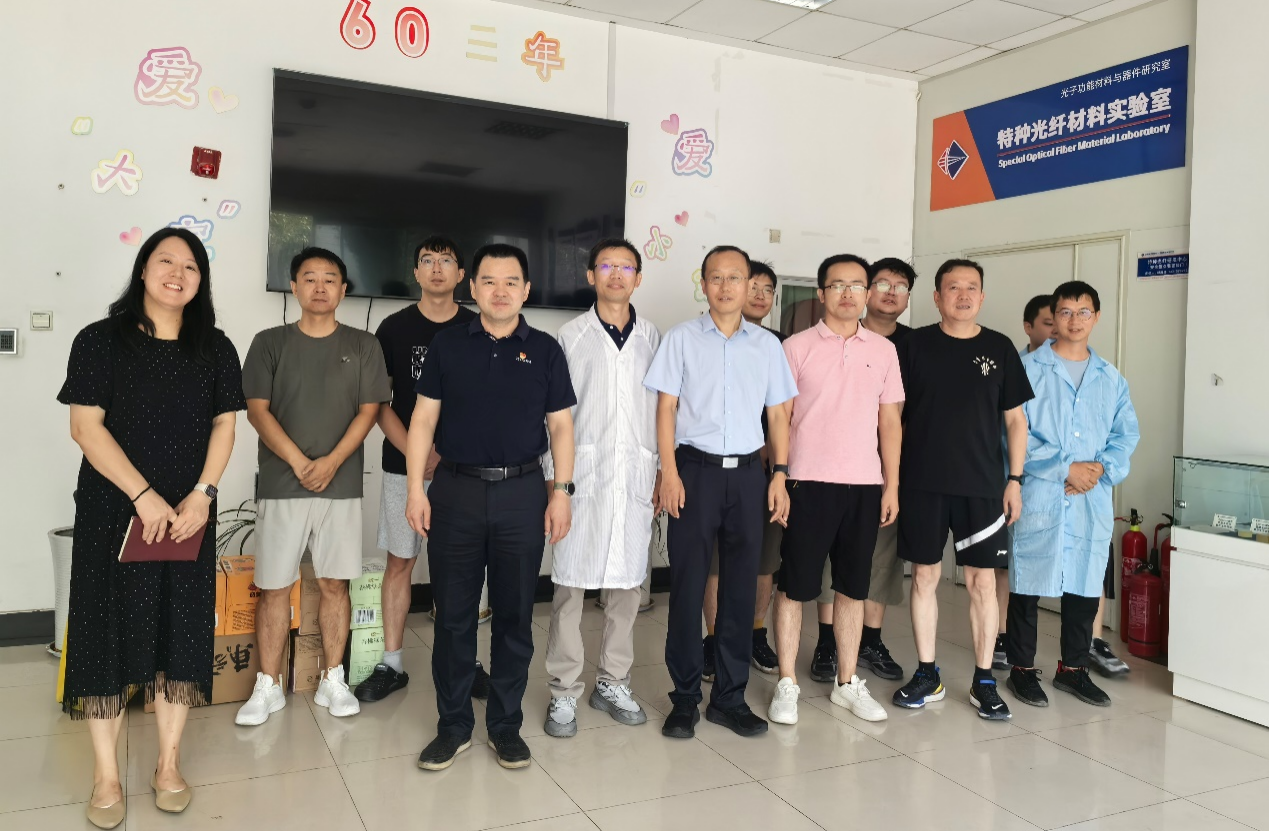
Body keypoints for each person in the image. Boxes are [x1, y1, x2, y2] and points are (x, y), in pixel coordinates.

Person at [59, 228, 244, 827]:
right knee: (104, 634)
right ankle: (106, 775)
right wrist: (142, 496)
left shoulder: (215, 347)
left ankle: (167, 764)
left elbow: (225, 425)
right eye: (165, 261)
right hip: (114, 512)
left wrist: (203, 495)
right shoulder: (99, 340)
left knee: (177, 632)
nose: (177, 273)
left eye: (190, 266)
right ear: (143, 270)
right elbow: (85, 427)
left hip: (187, 515)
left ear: (200, 281)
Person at [407, 243, 576, 771]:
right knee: (454, 617)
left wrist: (562, 491)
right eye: (488, 281)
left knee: (515, 617)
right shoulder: (447, 344)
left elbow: (561, 427)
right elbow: (423, 420)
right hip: (455, 491)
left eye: (510, 282)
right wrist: (415, 489)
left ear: (526, 291)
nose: (499, 291)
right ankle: (454, 725)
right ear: (473, 287)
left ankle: (505, 726)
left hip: (523, 493)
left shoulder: (545, 349)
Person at [645, 245, 797, 740]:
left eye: (736, 278)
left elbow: (778, 415)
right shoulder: (681, 339)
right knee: (688, 586)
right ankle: (685, 698)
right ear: (704, 284)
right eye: (716, 277)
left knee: (740, 589)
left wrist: (780, 474)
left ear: (750, 284)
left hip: (750, 476)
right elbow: (665, 410)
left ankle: (729, 699)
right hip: (695, 472)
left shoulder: (766, 346)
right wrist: (669, 472)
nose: (727, 287)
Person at [237, 248, 390, 726]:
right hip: (283, 483)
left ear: (343, 289)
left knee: (334, 583)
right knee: (274, 585)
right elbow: (257, 410)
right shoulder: (269, 342)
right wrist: (301, 462)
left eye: (330, 279)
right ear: (294, 287)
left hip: (340, 486)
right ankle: (267, 685)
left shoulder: (364, 344)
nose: (320, 287)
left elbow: (369, 411)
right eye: (309, 278)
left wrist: (332, 462)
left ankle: (332, 678)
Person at [892, 259, 1033, 721]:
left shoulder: (1000, 347)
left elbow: (1016, 421)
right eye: (953, 287)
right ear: (937, 297)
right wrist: (891, 481)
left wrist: (1015, 480)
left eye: (972, 287)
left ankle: (984, 680)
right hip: (922, 484)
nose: (963, 295)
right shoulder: (913, 346)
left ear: (982, 297)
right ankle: (927, 674)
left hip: (982, 488)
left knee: (982, 583)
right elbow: (894, 417)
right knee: (925, 578)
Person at [767, 254, 903, 725]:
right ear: (821, 293)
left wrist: (891, 486)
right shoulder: (796, 347)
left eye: (857, 285)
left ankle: (847, 683)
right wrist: (780, 475)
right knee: (794, 587)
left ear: (867, 294)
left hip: (864, 486)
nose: (848, 293)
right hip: (807, 482)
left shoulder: (883, 351)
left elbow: (890, 422)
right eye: (838, 285)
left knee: (852, 588)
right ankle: (787, 682)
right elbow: (780, 416)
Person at [355, 237, 489, 705]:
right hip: (402, 469)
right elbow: (379, 404)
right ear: (415, 272)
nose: (436, 268)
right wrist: (418, 454)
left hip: (462, 470)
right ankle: (391, 664)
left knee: (463, 569)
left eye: (446, 261)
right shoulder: (393, 329)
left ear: (461, 275)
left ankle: (466, 663)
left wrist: (443, 454)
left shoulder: (477, 327)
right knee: (400, 562)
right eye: (427, 261)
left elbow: (484, 404)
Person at [543, 239, 661, 737]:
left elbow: (664, 412)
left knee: (627, 590)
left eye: (626, 267)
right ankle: (563, 691)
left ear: (638, 278)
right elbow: (553, 416)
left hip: (635, 477)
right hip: (581, 480)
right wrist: (555, 483)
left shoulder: (654, 338)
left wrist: (661, 470)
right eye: (607, 266)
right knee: (570, 589)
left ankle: (613, 682)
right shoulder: (569, 337)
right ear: (591, 275)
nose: (616, 274)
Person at [1006, 282, 1139, 708]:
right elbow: (1013, 433)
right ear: (1054, 317)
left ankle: (1073, 670)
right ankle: (1021, 670)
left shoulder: (1111, 378)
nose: (1075, 320)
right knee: (1026, 585)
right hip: (1041, 492)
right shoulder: (1026, 369)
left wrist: (1098, 469)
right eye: (1065, 312)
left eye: (1084, 312)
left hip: (1090, 497)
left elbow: (1125, 436)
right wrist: (1066, 468)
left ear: (1096, 317)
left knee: (1083, 585)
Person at [810, 257, 916, 686]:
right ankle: (826, 643)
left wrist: (894, 479)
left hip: (881, 471)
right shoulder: (822, 339)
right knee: (826, 563)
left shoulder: (910, 345)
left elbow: (899, 416)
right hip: (825, 470)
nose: (890, 292)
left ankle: (869, 640)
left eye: (900, 286)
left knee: (879, 560)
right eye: (882, 283)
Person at [702, 260, 784, 681]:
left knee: (764, 560)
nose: (758, 295)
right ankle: (714, 639)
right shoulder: (698, 339)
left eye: (767, 289)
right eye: (752, 285)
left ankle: (756, 633)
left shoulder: (777, 345)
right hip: (715, 470)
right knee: (716, 562)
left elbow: (786, 410)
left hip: (765, 474)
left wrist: (779, 462)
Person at [989, 295, 1058, 669]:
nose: (1057, 328)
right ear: (1028, 327)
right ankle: (1002, 635)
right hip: (1011, 482)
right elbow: (1010, 430)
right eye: (1049, 322)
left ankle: (1089, 645)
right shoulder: (1013, 366)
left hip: (1057, 487)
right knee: (1005, 565)